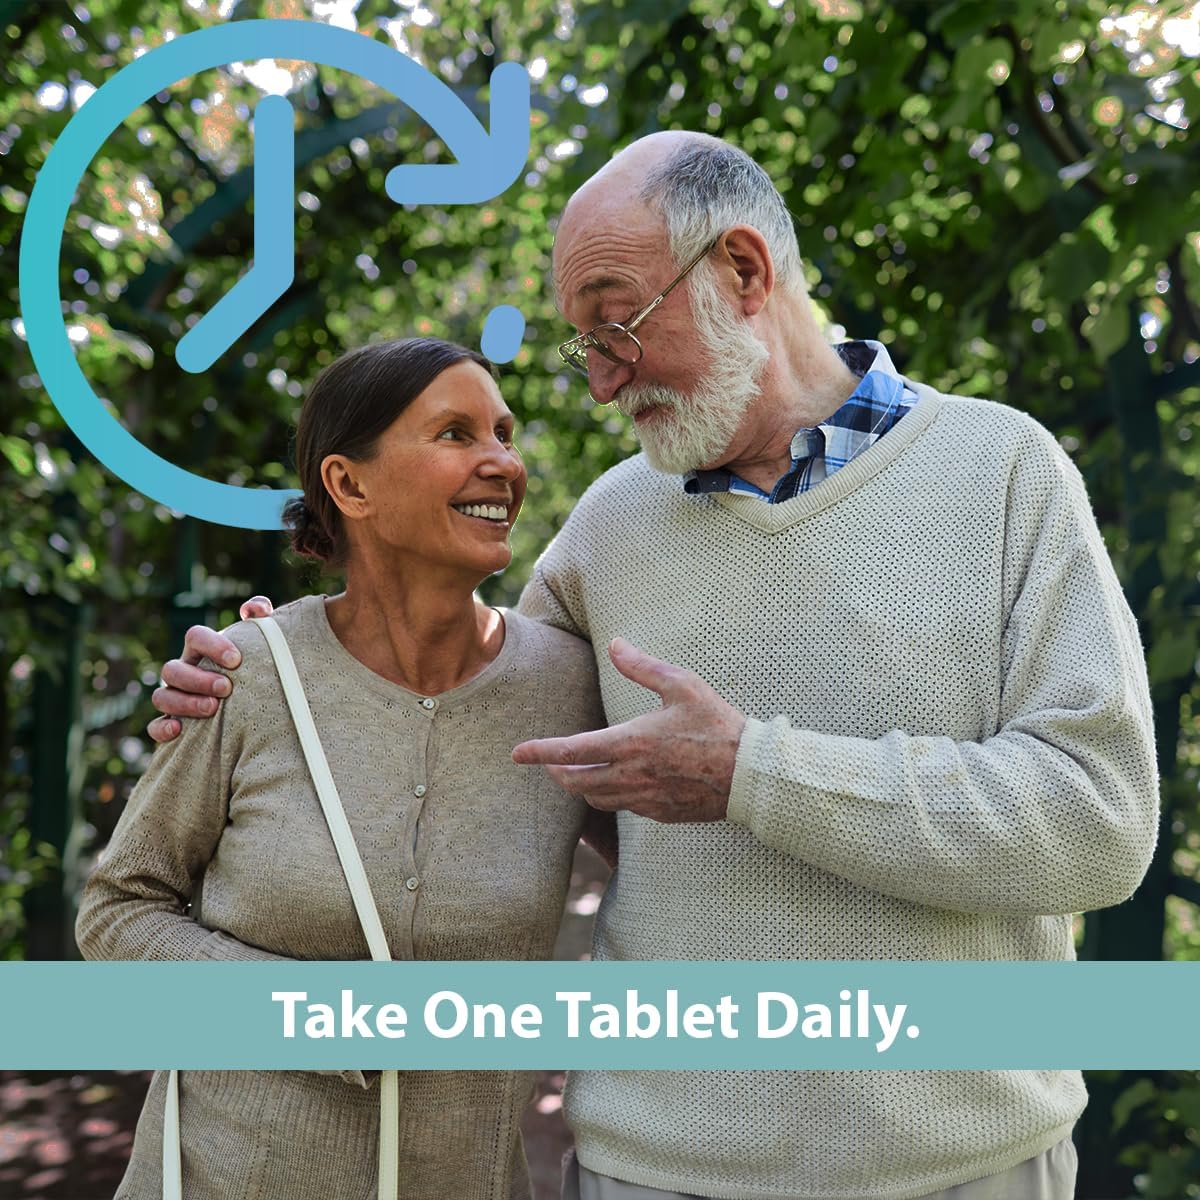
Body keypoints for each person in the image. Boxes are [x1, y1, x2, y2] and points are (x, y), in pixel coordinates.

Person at [150, 133, 1159, 1200]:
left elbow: (1099, 823)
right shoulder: (607, 528)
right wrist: (285, 666)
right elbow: (460, 724)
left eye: (617, 324)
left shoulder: (1003, 471)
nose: (599, 382)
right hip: (652, 1169)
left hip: (969, 1169)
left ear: (743, 271)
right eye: (582, 344)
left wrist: (751, 773)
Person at [77, 336, 609, 1200]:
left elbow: (667, 863)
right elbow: (118, 910)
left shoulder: (571, 686)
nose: (503, 464)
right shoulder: (248, 674)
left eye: (504, 434)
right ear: (350, 485)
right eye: (456, 433)